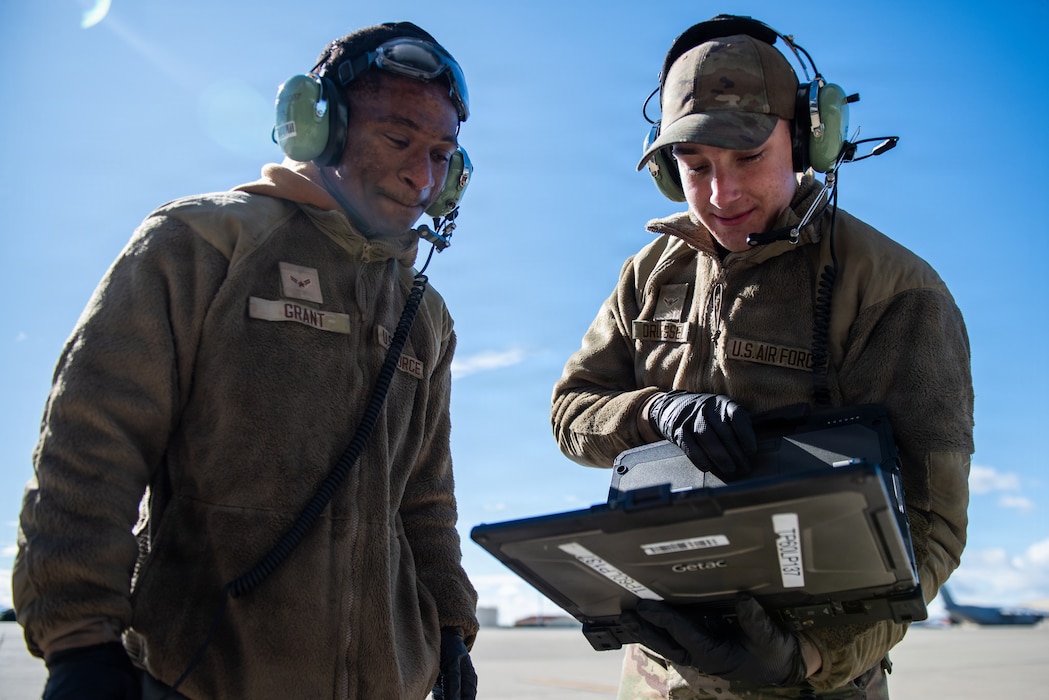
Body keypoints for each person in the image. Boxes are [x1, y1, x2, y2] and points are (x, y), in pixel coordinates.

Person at [13, 21, 479, 700]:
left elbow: (426, 498)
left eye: (442, 154)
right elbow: (91, 447)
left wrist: (449, 626)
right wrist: (80, 642)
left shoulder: (425, 313)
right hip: (202, 679)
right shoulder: (200, 242)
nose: (422, 175)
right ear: (317, 128)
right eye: (399, 140)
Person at [551, 14, 972, 700]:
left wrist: (802, 659)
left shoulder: (893, 291)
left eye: (747, 158)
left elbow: (930, 528)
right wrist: (657, 411)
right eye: (694, 167)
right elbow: (571, 414)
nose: (722, 195)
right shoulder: (647, 275)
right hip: (656, 680)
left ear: (806, 140)